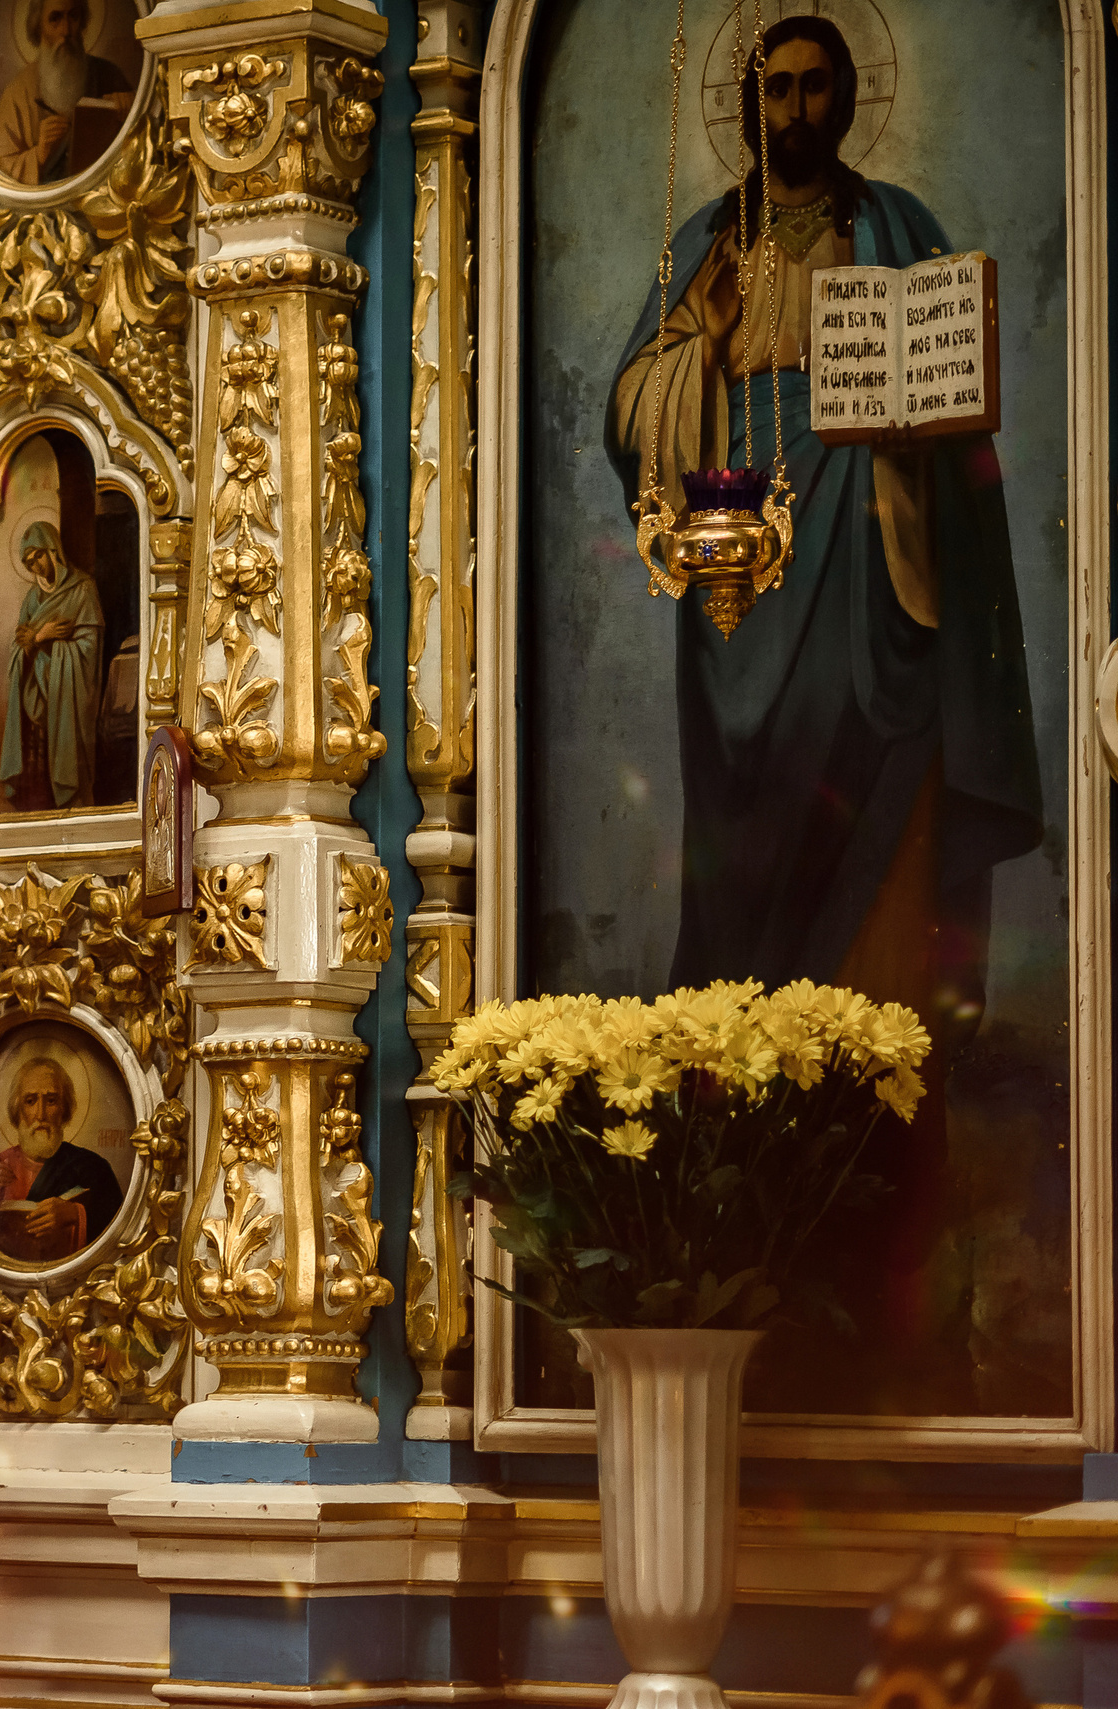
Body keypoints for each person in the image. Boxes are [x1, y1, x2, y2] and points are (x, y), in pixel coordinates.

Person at [605, 16, 1038, 1408]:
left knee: (879, 929)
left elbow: (959, 410)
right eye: (774, 87)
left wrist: (921, 407)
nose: (795, 106)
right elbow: (633, 415)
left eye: (816, 85)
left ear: (848, 98)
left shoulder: (897, 226)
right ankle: (750, 1218)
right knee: (745, 903)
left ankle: (881, 1240)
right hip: (745, 606)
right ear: (751, 101)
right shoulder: (708, 249)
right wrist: (709, 347)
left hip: (876, 592)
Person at [0, 520, 103, 811]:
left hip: (68, 697)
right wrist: (39, 637)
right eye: (29, 562)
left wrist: (53, 649)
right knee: (39, 774)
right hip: (37, 701)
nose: (35, 566)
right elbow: (18, 651)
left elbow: (90, 646)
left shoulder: (82, 589)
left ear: (53, 550)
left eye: (38, 556)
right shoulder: (32, 599)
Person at [0, 1056, 120, 1261]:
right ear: (18, 1109)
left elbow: (117, 1230)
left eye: (51, 1101)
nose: (40, 1114)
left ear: (64, 1108)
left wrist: (74, 1214)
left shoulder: (94, 1168)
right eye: (30, 1101)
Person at [0, 0, 135, 185]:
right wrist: (39, 153)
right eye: (55, 19)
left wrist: (130, 106)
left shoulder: (110, 75)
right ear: (38, 24)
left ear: (82, 21)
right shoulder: (18, 92)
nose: (65, 31)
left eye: (73, 16)